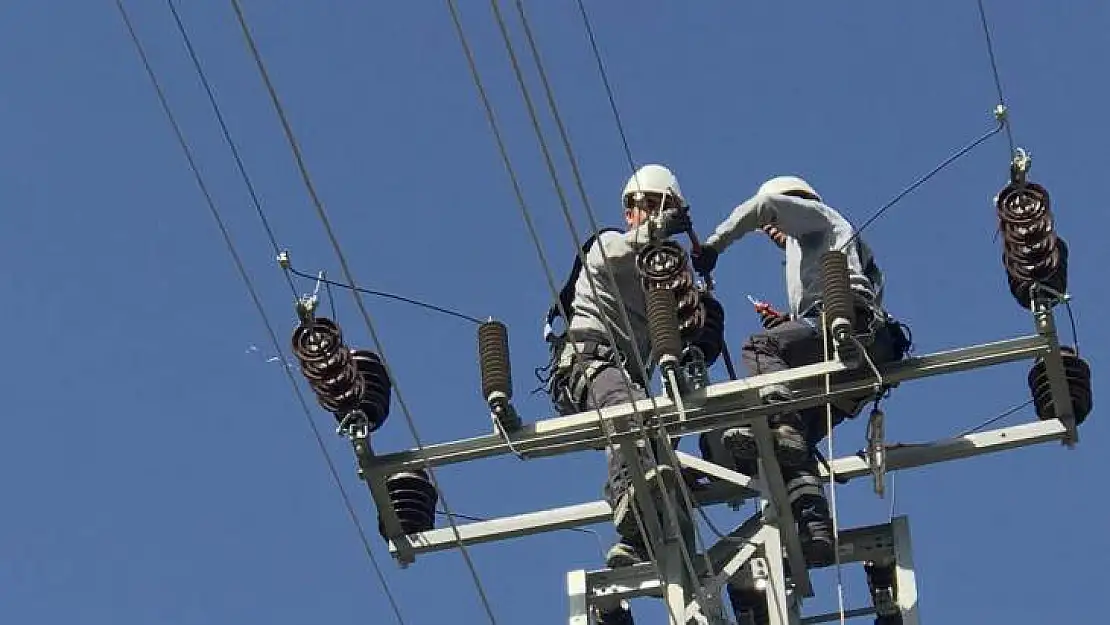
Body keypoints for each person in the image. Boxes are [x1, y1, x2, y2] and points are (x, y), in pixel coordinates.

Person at [691, 175, 911, 566]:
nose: (770, 230)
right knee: (792, 446)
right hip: (861, 359)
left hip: (848, 328)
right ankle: (813, 523)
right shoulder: (819, 245)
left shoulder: (821, 217)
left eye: (773, 225)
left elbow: (765, 207)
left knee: (760, 348)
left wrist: (713, 245)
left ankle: (783, 423)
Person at [542, 164, 696, 570]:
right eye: (636, 206)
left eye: (652, 205)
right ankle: (631, 497)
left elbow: (689, 331)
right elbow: (617, 252)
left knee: (660, 431)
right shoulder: (608, 243)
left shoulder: (664, 276)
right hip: (589, 363)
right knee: (631, 411)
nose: (640, 213)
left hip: (625, 376)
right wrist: (659, 228)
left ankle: (644, 538)